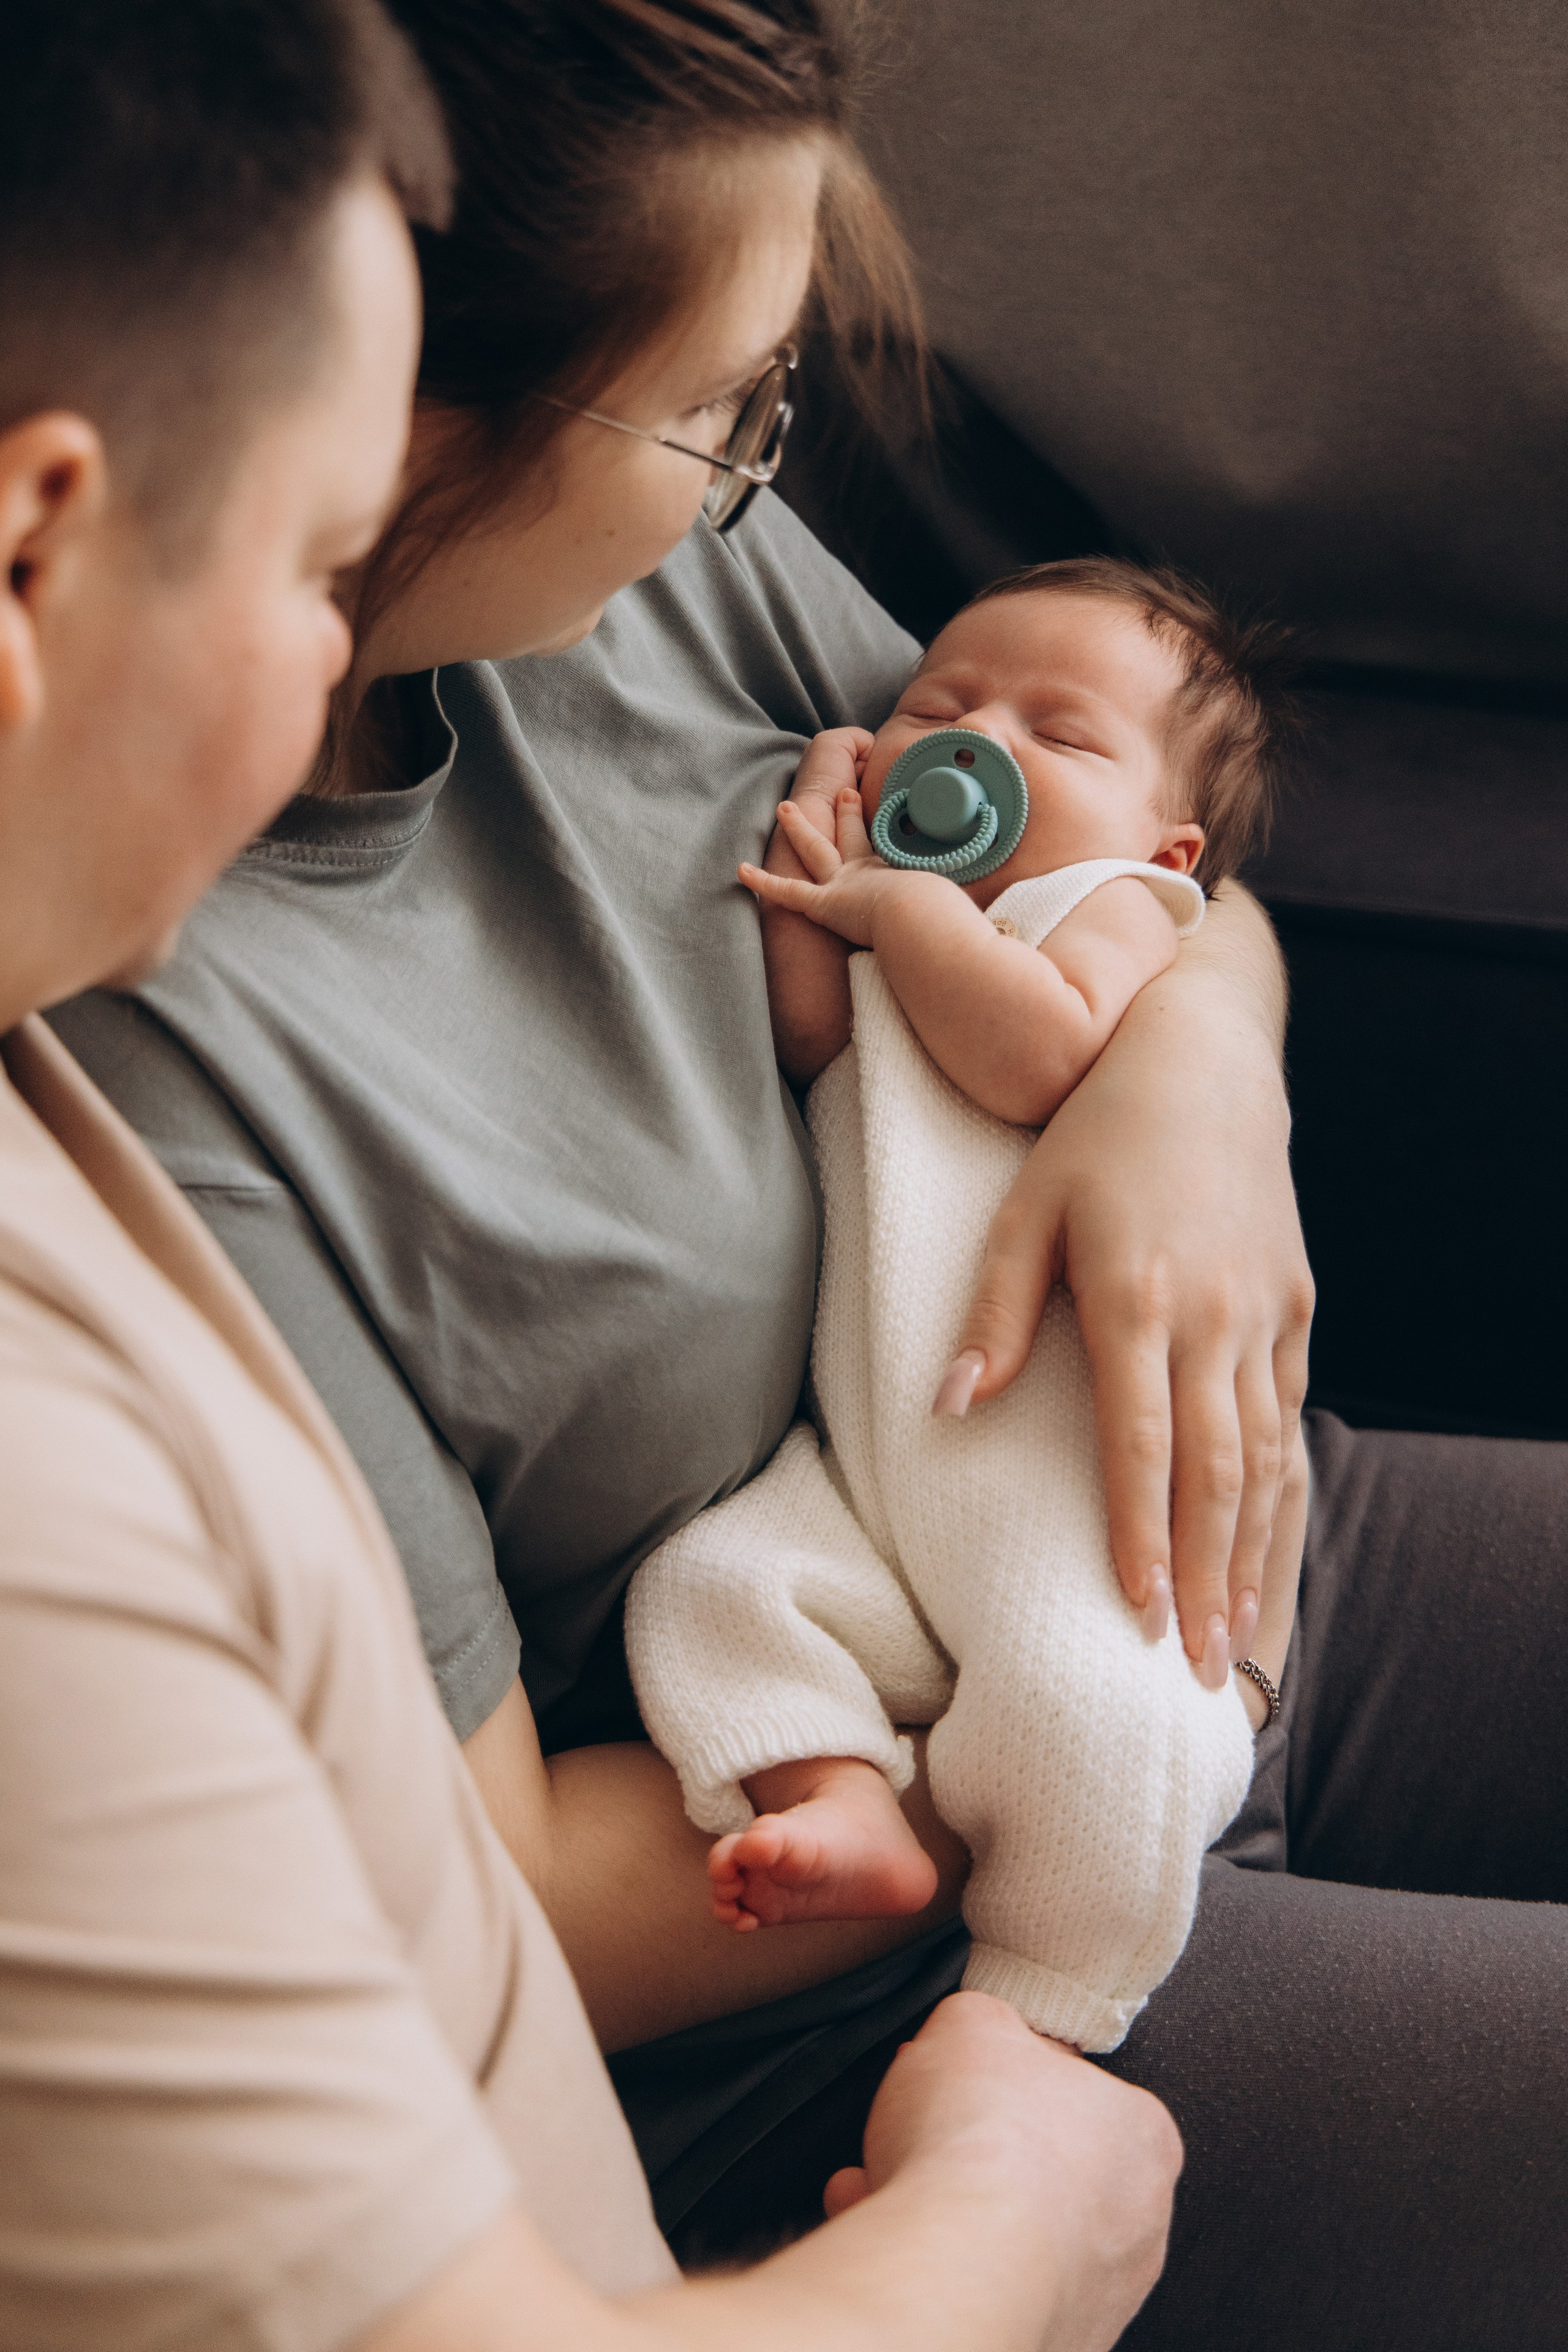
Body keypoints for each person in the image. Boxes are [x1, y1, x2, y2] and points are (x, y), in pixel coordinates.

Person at [47, 1, 1568, 2343]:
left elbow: (1134, 858)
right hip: (851, 1891)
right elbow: (475, 1906)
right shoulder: (134, 1013)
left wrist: (1204, 1083)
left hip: (1195, 1534)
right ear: (395, 400)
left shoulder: (658, 574)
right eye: (722, 408)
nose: (768, 477)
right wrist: (1007, 1757)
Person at [625, 560, 1298, 2057]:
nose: (978, 742)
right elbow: (814, 1047)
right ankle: (840, 1803)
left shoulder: (1105, 905)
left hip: (1040, 1456)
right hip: (870, 1465)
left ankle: (1046, 2002)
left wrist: (890, 908)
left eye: (1058, 737)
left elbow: (1041, 1059)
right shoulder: (905, 913)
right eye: (939, 704)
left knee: (1097, 1708)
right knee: (712, 1587)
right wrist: (814, 882)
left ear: (1167, 841)